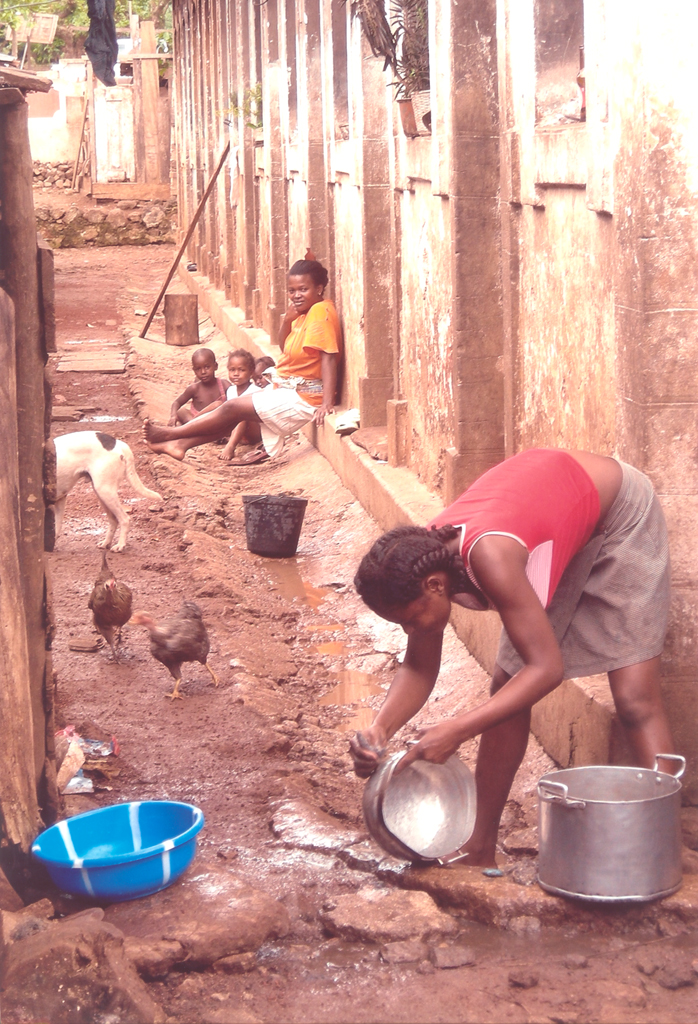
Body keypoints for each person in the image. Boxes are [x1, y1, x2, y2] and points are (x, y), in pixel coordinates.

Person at [350, 448, 677, 868]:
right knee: (508, 686)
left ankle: (663, 843)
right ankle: (478, 844)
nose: (410, 630)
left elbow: (548, 670)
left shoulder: (490, 556)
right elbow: (418, 666)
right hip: (557, 520)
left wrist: (459, 730)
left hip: (619, 511)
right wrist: (379, 730)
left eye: (410, 620)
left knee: (634, 698)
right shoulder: (419, 558)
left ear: (435, 586)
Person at [144, 253, 341, 462]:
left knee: (231, 407)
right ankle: (180, 445)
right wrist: (287, 321)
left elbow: (328, 358)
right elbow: (285, 347)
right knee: (233, 412)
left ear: (319, 288)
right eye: (292, 291)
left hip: (305, 397)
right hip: (290, 391)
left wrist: (326, 402)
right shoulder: (304, 314)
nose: (296, 296)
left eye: (304, 289)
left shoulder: (320, 312)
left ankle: (171, 434)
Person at [218, 349, 264, 463]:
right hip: (238, 431)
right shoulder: (231, 390)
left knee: (242, 413)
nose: (236, 374)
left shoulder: (256, 391)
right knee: (219, 407)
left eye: (241, 370)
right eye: (232, 370)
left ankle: (230, 447)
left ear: (251, 372)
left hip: (254, 432)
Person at [168, 348, 230, 425]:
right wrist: (173, 416)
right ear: (194, 370)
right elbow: (177, 402)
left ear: (215, 366)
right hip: (196, 422)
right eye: (198, 369)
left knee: (217, 405)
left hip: (216, 424)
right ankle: (193, 426)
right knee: (182, 412)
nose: (203, 372)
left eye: (207, 367)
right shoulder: (194, 388)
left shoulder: (224, 385)